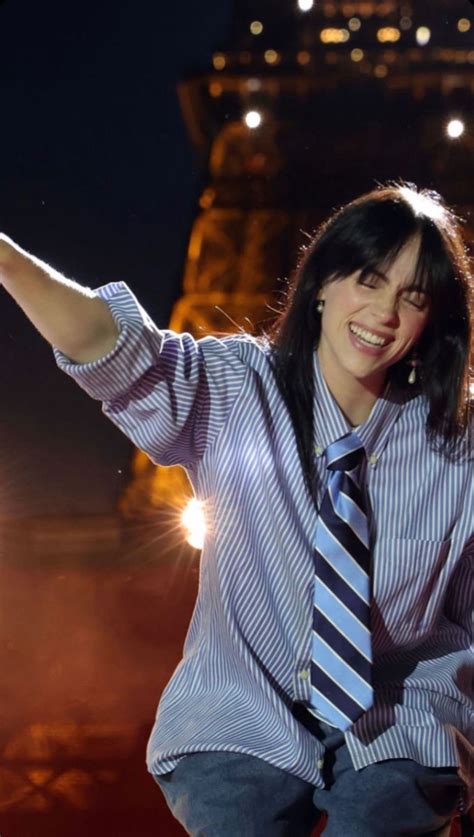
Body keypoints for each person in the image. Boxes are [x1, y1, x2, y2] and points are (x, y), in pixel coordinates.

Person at [0, 181, 472, 836]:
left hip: (401, 720)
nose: (384, 312)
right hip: (240, 711)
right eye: (367, 280)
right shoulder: (236, 385)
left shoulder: (459, 453)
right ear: (322, 285)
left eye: (413, 298)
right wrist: (4, 257)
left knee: (388, 798)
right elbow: (120, 352)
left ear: (430, 325)